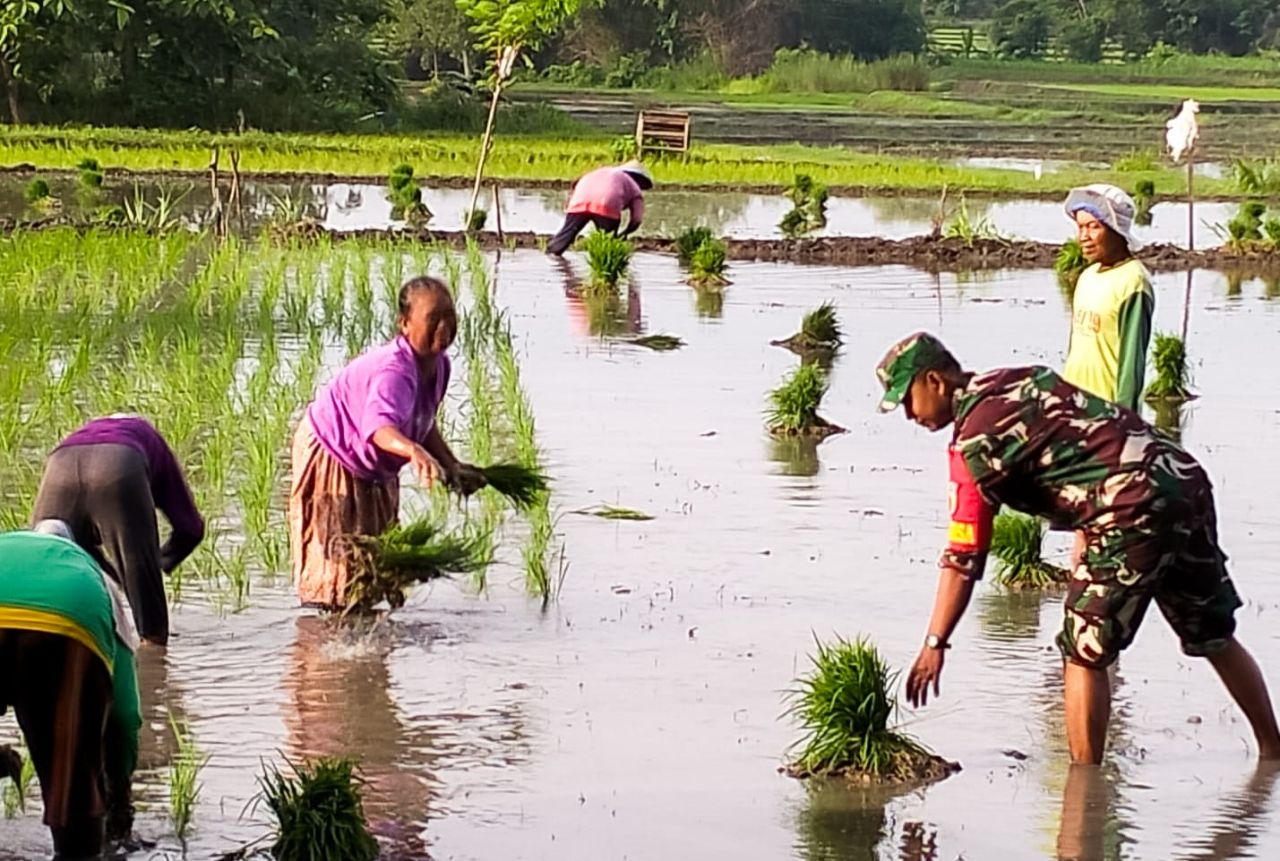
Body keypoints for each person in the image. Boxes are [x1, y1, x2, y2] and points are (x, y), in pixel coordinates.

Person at [874, 332, 1280, 765]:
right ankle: (1274, 752)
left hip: (1129, 507)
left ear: (934, 381)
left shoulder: (974, 443)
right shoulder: (1018, 379)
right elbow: (1091, 441)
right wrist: (1085, 532)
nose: (908, 415)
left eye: (906, 401)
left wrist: (935, 642)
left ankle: (1084, 791)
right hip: (1181, 479)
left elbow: (964, 556)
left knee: (1082, 653)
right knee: (1213, 634)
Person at [290, 276, 484, 611]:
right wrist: (413, 451)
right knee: (337, 574)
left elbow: (421, 421)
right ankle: (319, 653)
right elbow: (378, 427)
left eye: (450, 316)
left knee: (373, 571)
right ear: (405, 324)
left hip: (373, 463)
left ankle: (364, 653)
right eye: (433, 318)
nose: (444, 326)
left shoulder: (439, 366)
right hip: (334, 450)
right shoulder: (394, 370)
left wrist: (451, 464)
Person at [0, 520, 141, 858]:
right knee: (71, 777)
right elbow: (124, 715)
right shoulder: (97, 580)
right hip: (66, 614)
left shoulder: (8, 545)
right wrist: (119, 799)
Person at [32, 414, 205, 646]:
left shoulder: (80, 434)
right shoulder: (151, 439)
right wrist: (154, 565)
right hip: (119, 465)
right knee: (152, 630)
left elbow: (83, 552)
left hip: (59, 467)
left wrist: (113, 578)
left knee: (45, 568)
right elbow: (190, 527)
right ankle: (151, 670)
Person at [1062, 183, 1154, 412]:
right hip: (1074, 407)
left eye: (1093, 227)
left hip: (1106, 414)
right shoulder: (1087, 276)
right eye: (1080, 227)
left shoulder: (1133, 282)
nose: (1084, 237)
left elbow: (1131, 364)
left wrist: (1125, 422)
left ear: (1116, 230)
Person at [546, 160, 653, 256]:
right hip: (606, 204)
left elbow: (576, 184)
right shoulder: (634, 187)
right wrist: (625, 233)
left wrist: (569, 205)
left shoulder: (602, 172)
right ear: (640, 180)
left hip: (579, 200)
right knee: (607, 244)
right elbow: (636, 219)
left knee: (565, 235)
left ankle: (551, 255)